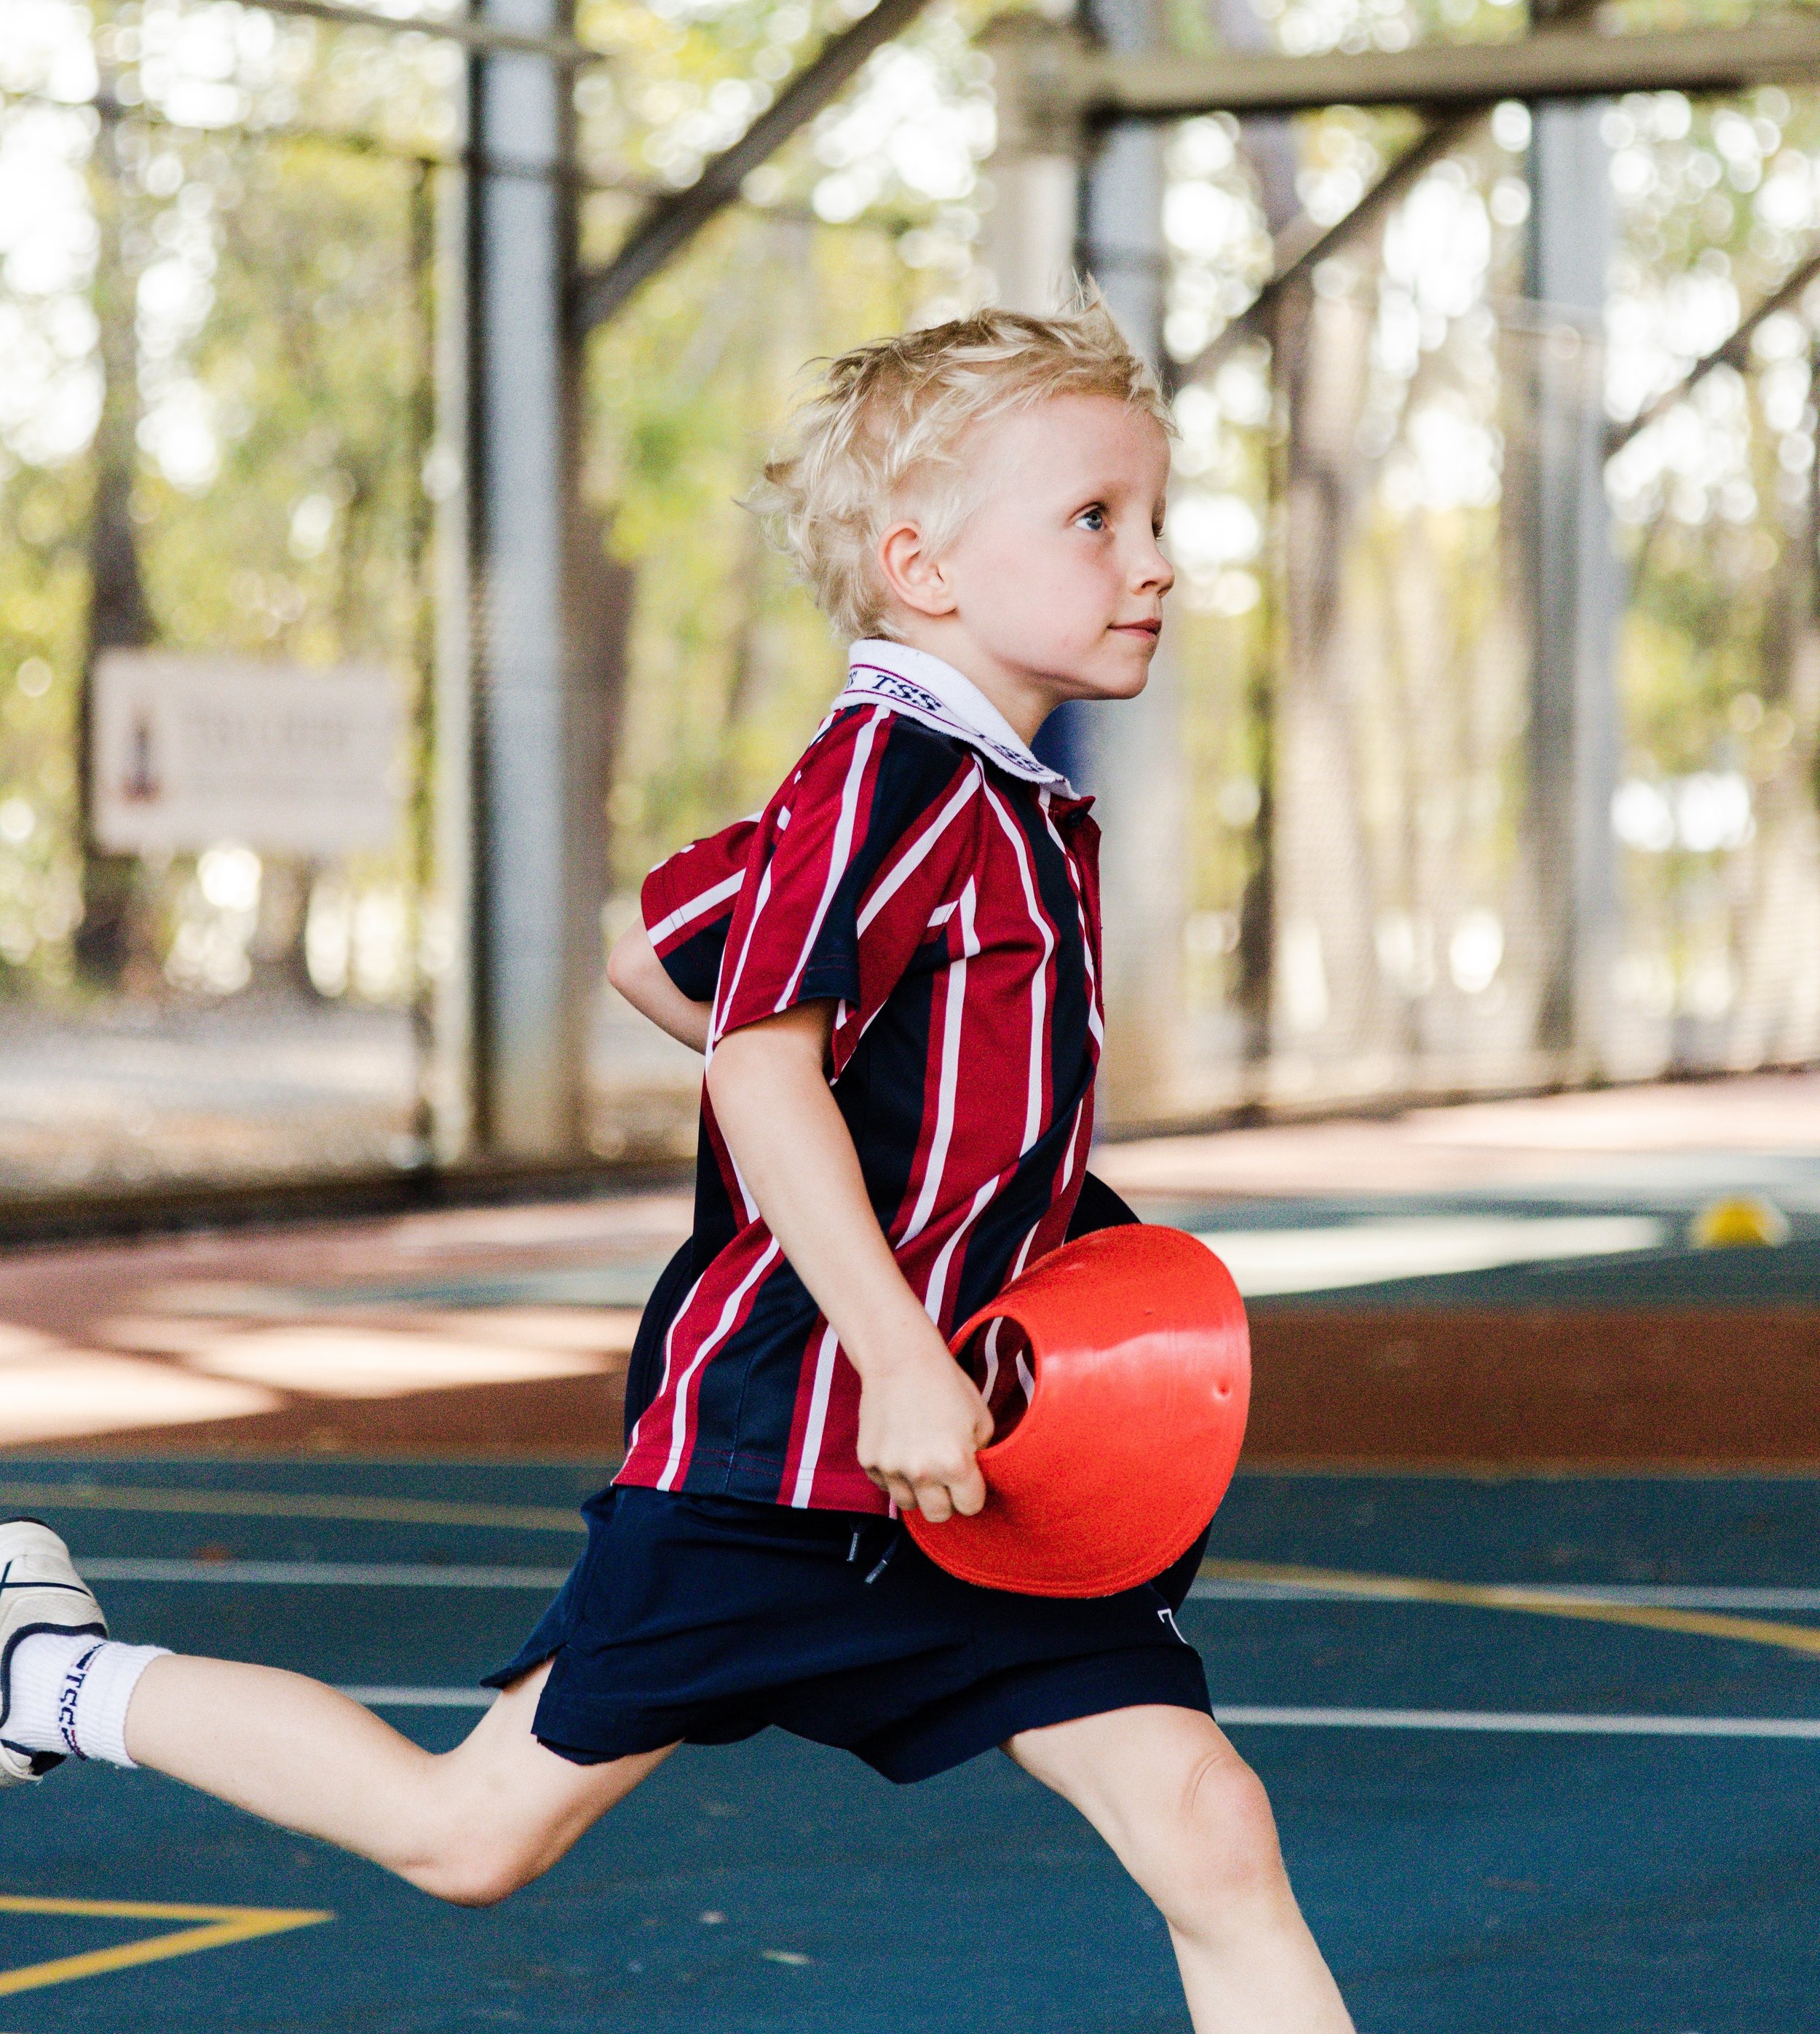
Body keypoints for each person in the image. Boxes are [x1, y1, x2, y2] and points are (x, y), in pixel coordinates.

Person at [0, 301, 1352, 2031]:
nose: (1152, 561)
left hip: (971, 1472)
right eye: (1096, 519)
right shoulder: (894, 778)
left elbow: (656, 946)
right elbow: (756, 1061)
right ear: (919, 564)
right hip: (785, 1457)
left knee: (1204, 1823)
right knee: (467, 1831)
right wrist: (890, 1341)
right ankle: (53, 1673)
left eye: (1156, 518)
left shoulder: (994, 793)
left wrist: (913, 1204)